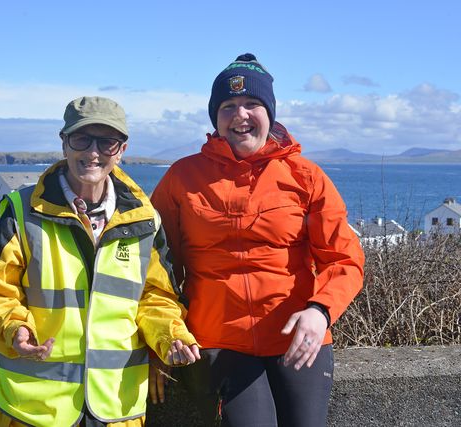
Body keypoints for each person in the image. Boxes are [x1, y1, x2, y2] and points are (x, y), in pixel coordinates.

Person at [150, 54, 365, 426]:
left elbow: (344, 259)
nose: (241, 115)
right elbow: (158, 270)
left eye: (252, 104)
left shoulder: (306, 176)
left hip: (298, 337)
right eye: (228, 106)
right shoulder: (181, 178)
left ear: (270, 112)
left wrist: (321, 311)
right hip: (218, 339)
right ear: (215, 117)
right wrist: (156, 339)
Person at [0, 96, 200, 427]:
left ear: (122, 150)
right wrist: (13, 329)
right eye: (81, 139)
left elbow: (157, 298)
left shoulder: (145, 221)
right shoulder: (22, 211)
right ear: (64, 144)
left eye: (107, 142)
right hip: (30, 412)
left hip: (116, 410)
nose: (93, 152)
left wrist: (170, 335)